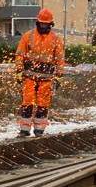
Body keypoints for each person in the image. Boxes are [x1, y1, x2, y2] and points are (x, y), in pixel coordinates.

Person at [15, 8, 65, 138]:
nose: (43, 26)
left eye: (46, 24)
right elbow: (20, 54)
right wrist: (19, 71)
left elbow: (59, 58)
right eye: (42, 23)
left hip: (47, 78)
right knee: (27, 102)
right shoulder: (28, 36)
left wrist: (59, 76)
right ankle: (24, 129)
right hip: (29, 76)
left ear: (50, 24)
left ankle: (39, 130)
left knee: (43, 104)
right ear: (38, 23)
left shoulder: (56, 39)